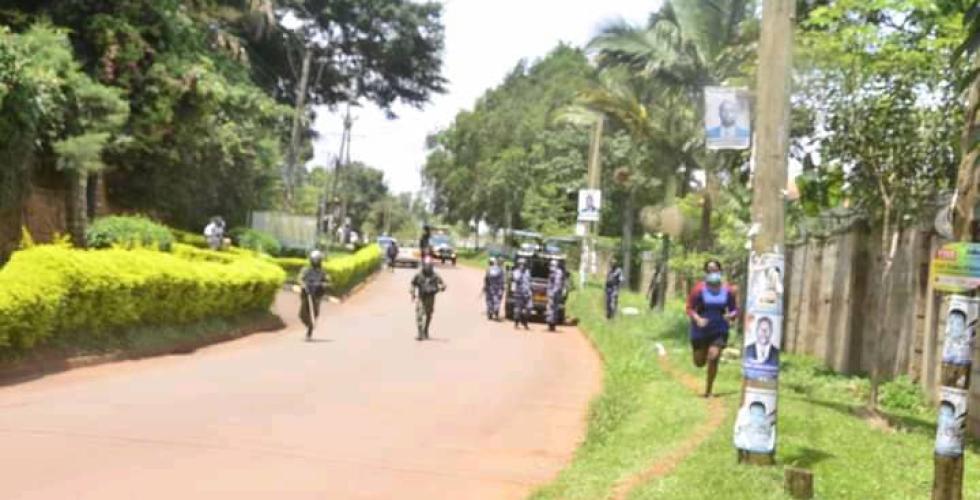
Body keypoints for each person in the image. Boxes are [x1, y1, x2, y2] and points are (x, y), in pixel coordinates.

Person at [686, 259, 739, 397]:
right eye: (709, 270)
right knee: (699, 362)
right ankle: (699, 353)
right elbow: (689, 308)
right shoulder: (698, 289)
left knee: (714, 356)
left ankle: (708, 390)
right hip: (700, 330)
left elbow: (735, 310)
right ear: (705, 272)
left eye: (715, 269)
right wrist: (697, 319)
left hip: (719, 329)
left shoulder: (727, 290)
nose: (712, 272)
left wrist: (730, 316)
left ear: (720, 271)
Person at [410, 261, 446, 341]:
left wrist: (442, 287)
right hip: (421, 297)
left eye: (429, 267)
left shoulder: (435, 276)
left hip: (431, 298)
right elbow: (412, 283)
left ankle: (426, 329)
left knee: (428, 315)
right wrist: (412, 292)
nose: (428, 268)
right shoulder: (418, 275)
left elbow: (443, 284)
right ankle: (420, 332)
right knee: (419, 314)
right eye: (426, 266)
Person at [298, 250, 330, 340]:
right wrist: (303, 284)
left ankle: (310, 330)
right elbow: (300, 278)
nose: (315, 262)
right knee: (302, 314)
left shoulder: (322, 272)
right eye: (314, 260)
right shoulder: (306, 270)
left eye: (317, 260)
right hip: (306, 294)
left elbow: (327, 281)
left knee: (314, 312)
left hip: (316, 295)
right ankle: (309, 324)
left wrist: (323, 284)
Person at [511, 258, 532, 330]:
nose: (522, 265)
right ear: (518, 265)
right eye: (521, 264)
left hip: (527, 293)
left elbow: (529, 282)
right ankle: (516, 323)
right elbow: (516, 279)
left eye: (524, 264)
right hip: (519, 294)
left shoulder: (528, 272)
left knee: (529, 308)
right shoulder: (516, 272)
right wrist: (521, 272)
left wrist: (530, 290)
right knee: (518, 310)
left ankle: (524, 320)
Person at [546, 259, 566, 331]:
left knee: (552, 309)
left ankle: (552, 325)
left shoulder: (557, 273)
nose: (551, 267)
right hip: (553, 293)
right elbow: (550, 284)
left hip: (555, 294)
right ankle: (551, 324)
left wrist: (552, 293)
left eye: (552, 265)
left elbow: (557, 284)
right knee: (552, 309)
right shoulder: (553, 272)